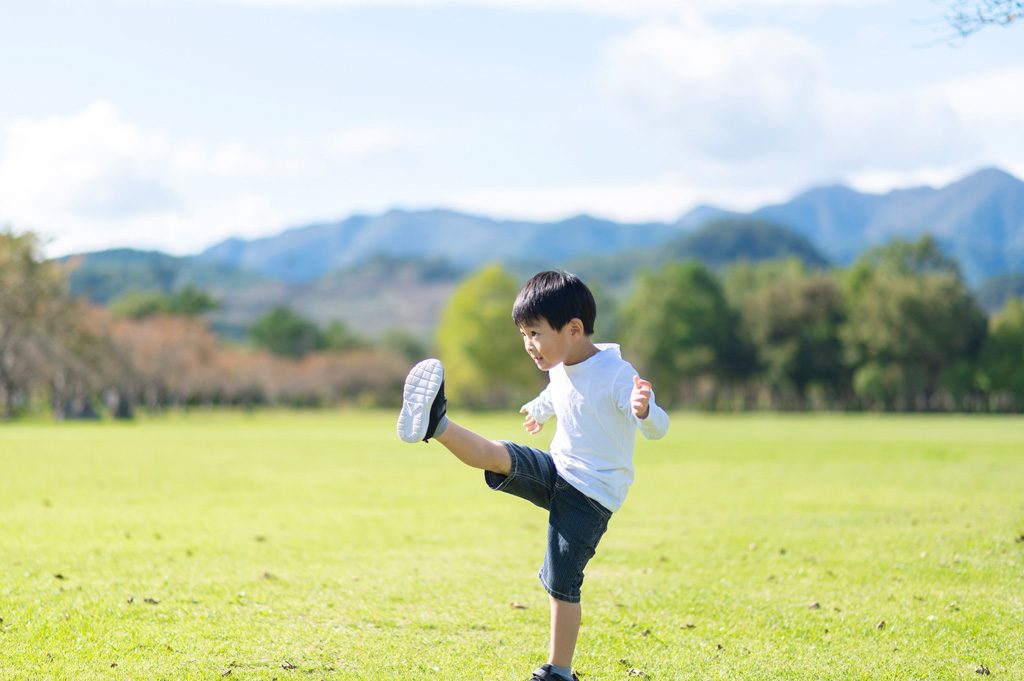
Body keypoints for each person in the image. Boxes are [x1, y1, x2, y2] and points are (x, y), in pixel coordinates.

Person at [396, 270, 670, 681]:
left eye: (535, 333)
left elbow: (658, 428)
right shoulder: (561, 365)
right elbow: (558, 392)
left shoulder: (616, 374)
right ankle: (436, 423)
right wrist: (540, 410)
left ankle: (559, 671)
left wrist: (646, 410)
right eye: (524, 334)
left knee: (561, 582)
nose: (528, 345)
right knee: (497, 456)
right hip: (557, 468)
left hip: (590, 495)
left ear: (574, 329)